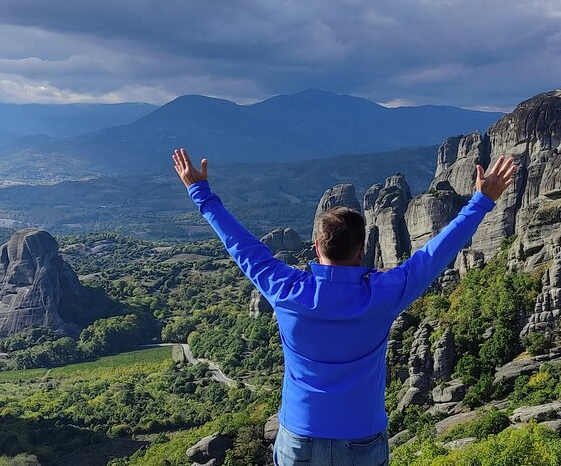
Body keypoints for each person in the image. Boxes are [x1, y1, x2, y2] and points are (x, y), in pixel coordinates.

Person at [173, 148, 517, 466]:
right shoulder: (382, 295)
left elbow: (242, 246)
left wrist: (200, 191)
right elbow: (434, 255)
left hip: (300, 439)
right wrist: (481, 200)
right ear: (361, 249)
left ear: (316, 247)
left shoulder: (286, 290)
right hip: (360, 440)